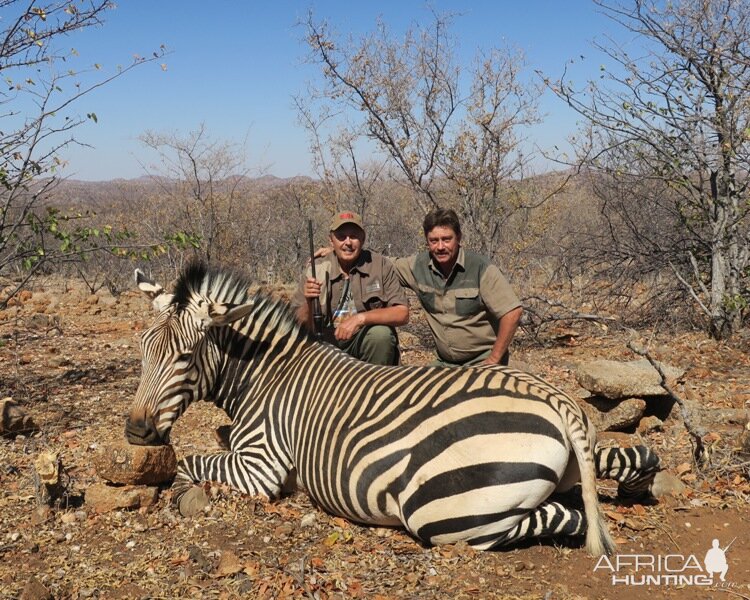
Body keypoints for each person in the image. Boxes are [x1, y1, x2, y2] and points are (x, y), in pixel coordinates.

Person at [392, 208, 522, 367]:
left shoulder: (480, 268)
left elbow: (513, 312)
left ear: (458, 238)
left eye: (447, 239)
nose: (440, 247)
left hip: (482, 360)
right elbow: (383, 265)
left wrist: (494, 359)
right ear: (427, 241)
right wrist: (354, 253)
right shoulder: (417, 266)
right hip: (445, 363)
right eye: (434, 241)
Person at [292, 210, 409, 366]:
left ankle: (375, 387)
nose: (348, 242)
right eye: (341, 236)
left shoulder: (380, 265)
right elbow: (296, 324)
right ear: (331, 240)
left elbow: (402, 313)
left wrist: (361, 319)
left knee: (380, 335)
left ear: (363, 238)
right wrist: (308, 301)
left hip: (365, 341)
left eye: (353, 236)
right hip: (327, 346)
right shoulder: (316, 269)